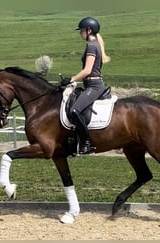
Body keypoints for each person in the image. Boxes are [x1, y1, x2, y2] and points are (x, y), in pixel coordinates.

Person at [61, 17, 111, 154]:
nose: (80, 33)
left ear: (89, 30)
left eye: (82, 30)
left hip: (94, 86)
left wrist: (71, 79)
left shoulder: (92, 46)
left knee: (74, 111)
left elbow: (87, 70)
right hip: (91, 84)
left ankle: (87, 143)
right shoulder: (95, 44)